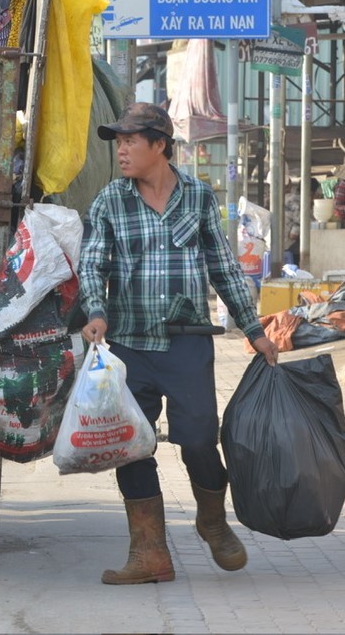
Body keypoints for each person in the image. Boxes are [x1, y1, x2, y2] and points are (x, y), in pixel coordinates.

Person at [78, 101, 279, 586]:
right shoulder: (110, 201)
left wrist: (254, 330)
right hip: (128, 345)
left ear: (159, 145)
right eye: (118, 142)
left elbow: (223, 266)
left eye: (130, 141)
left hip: (188, 344)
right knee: (132, 447)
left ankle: (211, 519)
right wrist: (95, 312)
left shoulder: (199, 197)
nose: (121, 150)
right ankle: (149, 553)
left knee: (198, 441)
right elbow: (92, 263)